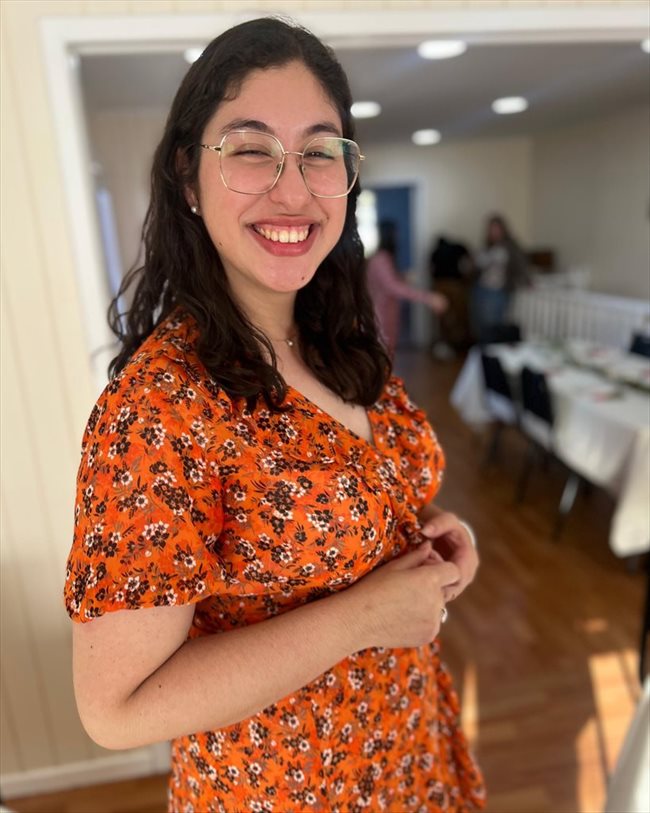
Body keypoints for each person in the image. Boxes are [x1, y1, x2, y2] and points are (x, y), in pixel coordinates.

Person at [64, 18, 485, 813]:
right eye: (251, 149)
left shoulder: (337, 341)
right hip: (287, 791)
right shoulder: (161, 408)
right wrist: (362, 616)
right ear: (188, 178)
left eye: (320, 152)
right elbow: (116, 707)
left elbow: (353, 508)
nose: (293, 190)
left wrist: (427, 535)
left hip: (407, 750)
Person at [366, 219, 447, 355]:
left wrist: (402, 277)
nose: (398, 238)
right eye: (395, 234)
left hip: (386, 314)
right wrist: (429, 298)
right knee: (383, 356)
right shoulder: (381, 259)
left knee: (387, 355)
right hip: (381, 316)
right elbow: (392, 287)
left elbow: (386, 282)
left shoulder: (382, 258)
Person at [470, 214, 529, 341]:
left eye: (496, 229)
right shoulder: (486, 247)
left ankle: (492, 350)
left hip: (498, 290)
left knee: (494, 324)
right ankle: (482, 349)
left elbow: (521, 265)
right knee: (480, 322)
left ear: (503, 229)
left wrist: (527, 281)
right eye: (491, 229)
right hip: (481, 288)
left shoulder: (510, 247)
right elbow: (475, 268)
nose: (494, 232)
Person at [429, 235, 473, 356]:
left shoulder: (435, 252)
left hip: (440, 284)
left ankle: (448, 344)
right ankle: (459, 345)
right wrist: (467, 277)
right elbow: (469, 259)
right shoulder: (458, 247)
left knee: (444, 318)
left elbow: (431, 269)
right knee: (459, 316)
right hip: (455, 284)